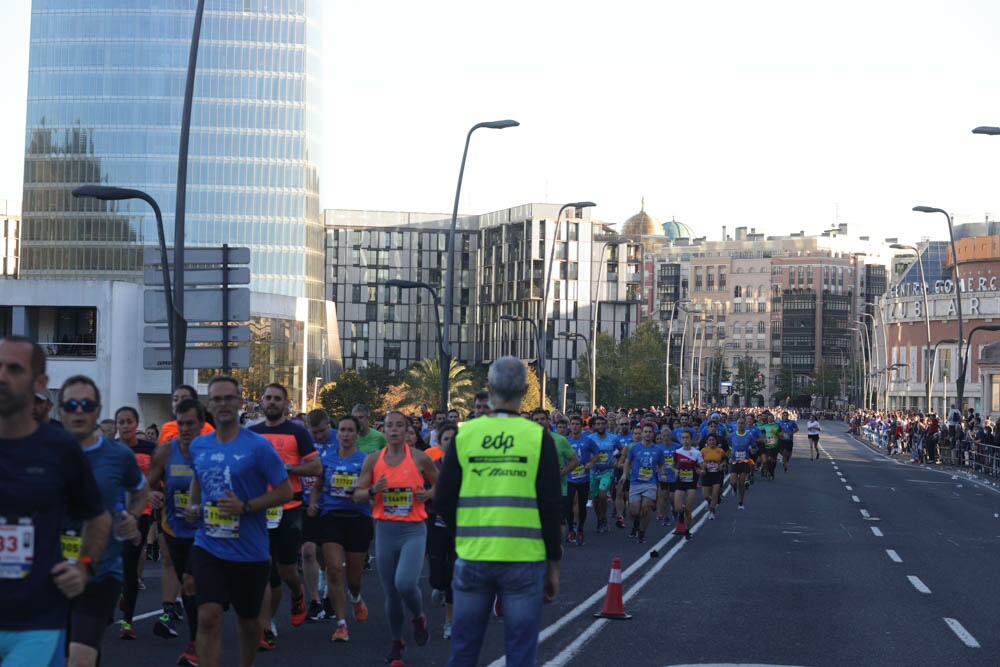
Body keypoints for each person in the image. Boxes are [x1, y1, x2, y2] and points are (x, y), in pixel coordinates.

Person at [435, 357, 563, 667]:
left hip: (474, 555)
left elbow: (443, 499)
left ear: (489, 390)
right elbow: (550, 505)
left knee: (464, 649)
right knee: (520, 652)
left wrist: (462, 533)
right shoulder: (537, 437)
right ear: (525, 390)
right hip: (524, 558)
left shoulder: (466, 435)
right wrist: (553, 564)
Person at [0, 336, 109, 666]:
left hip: (38, 620)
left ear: (40, 383)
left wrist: (85, 567)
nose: (1, 376)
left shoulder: (59, 449)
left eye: (14, 369)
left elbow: (99, 517)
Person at [184, 375, 293, 667]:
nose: (223, 404)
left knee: (248, 622)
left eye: (229, 398)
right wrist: (194, 504)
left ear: (240, 402)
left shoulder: (258, 446)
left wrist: (245, 506)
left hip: (250, 549)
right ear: (208, 405)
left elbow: (285, 490)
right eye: (217, 399)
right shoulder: (199, 446)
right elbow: (198, 476)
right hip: (208, 544)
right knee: (207, 616)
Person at [58, 375, 148, 667]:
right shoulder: (44, 452)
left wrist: (133, 517)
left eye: (87, 404)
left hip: (101, 573)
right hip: (50, 572)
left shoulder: (118, 455)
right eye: (72, 405)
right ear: (60, 411)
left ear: (97, 410)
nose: (79, 411)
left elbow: (141, 488)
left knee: (79, 659)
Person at [352, 411, 438, 665]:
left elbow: (441, 482)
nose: (394, 430)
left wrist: (429, 494)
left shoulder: (420, 458)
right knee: (391, 591)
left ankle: (418, 616)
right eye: (389, 425)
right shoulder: (373, 460)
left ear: (406, 430)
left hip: (413, 530)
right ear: (384, 429)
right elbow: (356, 494)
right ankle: (397, 642)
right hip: (385, 530)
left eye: (399, 425)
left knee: (404, 583)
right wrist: (371, 491)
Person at [248, 383, 322, 648]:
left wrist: (289, 468)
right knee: (264, 570)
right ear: (261, 401)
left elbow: (316, 466)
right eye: (268, 397)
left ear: (286, 404)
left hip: (289, 508)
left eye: (277, 399)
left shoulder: (296, 432)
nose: (272, 402)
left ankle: (298, 592)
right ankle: (265, 627)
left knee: (286, 569)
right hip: (258, 509)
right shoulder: (252, 433)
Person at [147, 398, 206, 667]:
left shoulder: (211, 451)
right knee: (188, 584)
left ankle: (195, 643)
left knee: (193, 583)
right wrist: (153, 494)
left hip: (206, 530)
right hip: (174, 528)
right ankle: (198, 634)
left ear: (201, 424)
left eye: (190, 423)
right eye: (180, 423)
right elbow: (147, 485)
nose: (184, 429)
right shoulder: (165, 452)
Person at [307, 414, 372, 643]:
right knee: (334, 569)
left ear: (356, 434)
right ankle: (341, 624)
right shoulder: (327, 460)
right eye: (342, 430)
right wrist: (314, 502)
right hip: (331, 516)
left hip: (357, 518)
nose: (345, 434)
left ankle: (355, 597)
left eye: (350, 430)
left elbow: (369, 491)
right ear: (338, 433)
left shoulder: (366, 460)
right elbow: (318, 486)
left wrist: (362, 494)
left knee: (353, 579)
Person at [115, 405, 158, 639]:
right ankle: (121, 589)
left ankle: (127, 622)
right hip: (113, 512)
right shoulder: (110, 449)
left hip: (141, 512)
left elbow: (159, 474)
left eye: (129, 421)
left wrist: (154, 490)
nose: (125, 426)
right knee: (116, 563)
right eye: (121, 422)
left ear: (136, 423)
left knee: (130, 564)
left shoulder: (150, 449)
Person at [302, 408, 338, 623]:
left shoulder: (340, 438)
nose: (318, 436)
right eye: (314, 432)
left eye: (322, 431)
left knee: (329, 557)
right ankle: (314, 600)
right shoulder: (304, 441)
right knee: (308, 551)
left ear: (329, 425)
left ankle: (329, 596)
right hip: (309, 504)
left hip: (334, 505)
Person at [424, 421, 458, 638]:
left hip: (460, 526)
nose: (451, 443)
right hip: (435, 523)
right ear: (440, 443)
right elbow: (423, 491)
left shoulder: (469, 468)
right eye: (447, 439)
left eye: (455, 439)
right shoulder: (432, 466)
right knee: (437, 574)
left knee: (454, 574)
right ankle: (438, 585)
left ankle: (449, 622)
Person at [620, 423, 666, 543]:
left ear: (653, 434)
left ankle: (642, 532)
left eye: (650, 432)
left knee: (645, 508)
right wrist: (624, 474)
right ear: (642, 434)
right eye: (645, 432)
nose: (647, 434)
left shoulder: (658, 450)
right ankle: (636, 523)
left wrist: (663, 474)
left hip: (650, 483)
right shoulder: (634, 448)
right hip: (635, 482)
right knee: (634, 511)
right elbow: (627, 462)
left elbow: (662, 464)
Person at [672, 430, 703, 539]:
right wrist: (675, 471)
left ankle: (687, 530)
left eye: (687, 438)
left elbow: (702, 467)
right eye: (683, 438)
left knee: (688, 510)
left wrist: (700, 470)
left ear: (691, 439)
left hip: (691, 482)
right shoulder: (677, 452)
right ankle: (681, 511)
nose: (685, 440)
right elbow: (673, 465)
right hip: (680, 481)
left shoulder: (696, 453)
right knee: (677, 508)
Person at [728, 417, 758, 509]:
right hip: (734, 461)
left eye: (742, 423)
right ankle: (733, 488)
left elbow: (754, 447)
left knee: (742, 483)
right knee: (733, 481)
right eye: (739, 423)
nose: (740, 425)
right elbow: (728, 445)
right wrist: (730, 452)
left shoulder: (749, 436)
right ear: (736, 425)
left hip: (744, 461)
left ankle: (740, 502)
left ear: (744, 425)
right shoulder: (732, 435)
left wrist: (753, 450)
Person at [699, 433, 725, 519]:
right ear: (707, 441)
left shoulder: (720, 450)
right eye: (710, 440)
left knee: (714, 494)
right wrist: (703, 466)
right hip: (707, 474)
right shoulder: (703, 451)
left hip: (717, 474)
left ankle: (712, 511)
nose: (711, 442)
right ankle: (710, 502)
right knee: (706, 495)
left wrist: (721, 465)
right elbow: (699, 461)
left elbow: (725, 460)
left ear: (716, 441)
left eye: (713, 440)